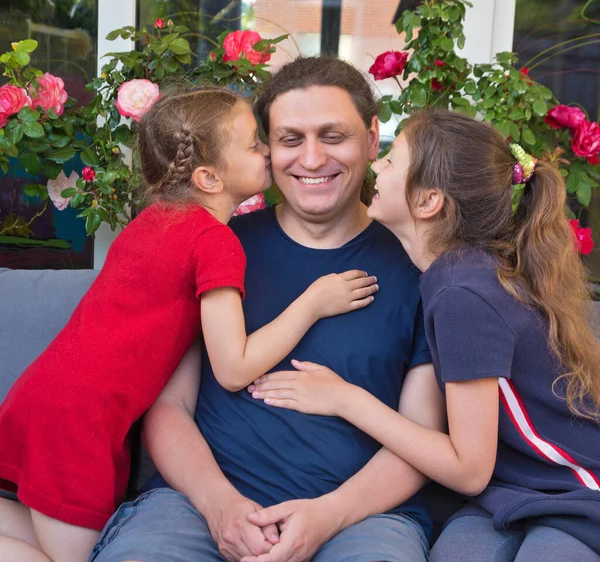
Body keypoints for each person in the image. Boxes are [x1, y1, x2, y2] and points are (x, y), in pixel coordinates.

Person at [0, 86, 379, 562]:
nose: (267, 150)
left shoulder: (154, 220)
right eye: (252, 144)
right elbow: (234, 368)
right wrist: (313, 302)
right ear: (208, 177)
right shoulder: (214, 242)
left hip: (47, 400)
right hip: (82, 423)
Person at [89, 57, 445, 562]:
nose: (313, 159)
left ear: (371, 138)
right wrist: (220, 507)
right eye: (290, 139)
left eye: (333, 136)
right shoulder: (213, 249)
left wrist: (329, 515)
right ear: (265, 150)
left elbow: (421, 439)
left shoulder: (420, 272)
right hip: (199, 506)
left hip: (361, 518)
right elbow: (170, 408)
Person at [250, 108, 600, 561]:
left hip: (576, 491)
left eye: (392, 160)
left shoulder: (462, 294)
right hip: (511, 489)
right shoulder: (451, 275)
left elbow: (468, 468)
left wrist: (343, 399)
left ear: (428, 202)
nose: (376, 166)